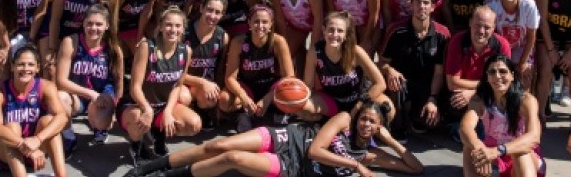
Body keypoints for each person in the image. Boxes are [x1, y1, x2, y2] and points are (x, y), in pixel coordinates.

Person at [129, 100, 423, 177]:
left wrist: (393, 141)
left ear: (378, 127)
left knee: (231, 159)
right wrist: (356, 167)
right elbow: (317, 151)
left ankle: (171, 175)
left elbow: (415, 168)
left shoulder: (370, 155)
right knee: (218, 144)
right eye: (365, 119)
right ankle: (150, 167)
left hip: (292, 167)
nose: (366, 125)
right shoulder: (343, 121)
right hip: (288, 138)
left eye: (373, 123)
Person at [119, 7, 202, 161]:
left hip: (162, 105)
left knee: (194, 124)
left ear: (183, 28)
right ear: (161, 26)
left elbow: (178, 85)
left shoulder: (186, 51)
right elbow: (135, 87)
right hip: (137, 104)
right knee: (138, 117)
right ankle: (137, 145)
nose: (173, 29)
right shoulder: (147, 47)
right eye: (169, 25)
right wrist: (147, 109)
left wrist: (169, 112)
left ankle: (159, 134)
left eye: (178, 26)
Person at [0, 45, 68, 177]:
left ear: (37, 68)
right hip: (4, 154)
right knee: (11, 126)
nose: (26, 69)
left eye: (30, 64)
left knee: (49, 121)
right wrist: (24, 145)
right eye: (21, 64)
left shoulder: (46, 86)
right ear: (12, 66)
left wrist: (38, 139)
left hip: (35, 148)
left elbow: (62, 117)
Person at [379, 0, 450, 138]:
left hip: (426, 85)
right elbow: (381, 63)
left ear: (432, 7)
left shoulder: (442, 34)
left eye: (426, 3)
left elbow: (439, 72)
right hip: (400, 84)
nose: (421, 6)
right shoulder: (396, 30)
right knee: (396, 83)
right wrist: (390, 70)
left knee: (428, 123)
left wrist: (433, 99)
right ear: (411, 5)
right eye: (417, 2)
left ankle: (415, 117)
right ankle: (397, 129)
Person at [460, 55, 543, 177]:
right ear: (487, 77)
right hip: (492, 155)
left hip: (524, 159)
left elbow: (534, 137)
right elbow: (465, 128)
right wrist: (480, 149)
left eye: (503, 71)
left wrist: (498, 151)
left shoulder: (526, 100)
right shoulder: (479, 100)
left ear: (512, 76)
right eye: (492, 72)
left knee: (520, 153)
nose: (497, 76)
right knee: (469, 147)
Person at [300, 12, 392, 119]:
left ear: (345, 35)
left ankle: (355, 124)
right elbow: (308, 87)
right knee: (302, 108)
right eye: (331, 30)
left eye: (340, 31)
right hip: (331, 100)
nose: (335, 35)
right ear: (323, 30)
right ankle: (330, 123)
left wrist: (359, 105)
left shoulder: (355, 51)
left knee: (389, 109)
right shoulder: (315, 52)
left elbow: (380, 84)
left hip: (358, 98)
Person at [56, 4, 124, 146]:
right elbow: (61, 81)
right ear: (83, 24)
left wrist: (113, 108)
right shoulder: (71, 42)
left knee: (101, 121)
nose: (94, 28)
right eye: (90, 23)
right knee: (59, 97)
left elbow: (119, 83)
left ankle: (98, 127)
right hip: (77, 95)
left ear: (107, 26)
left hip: (102, 97)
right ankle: (69, 136)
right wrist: (91, 94)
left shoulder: (114, 49)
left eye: (99, 24)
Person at [219, 4, 295, 130]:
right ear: (249, 23)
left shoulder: (278, 42)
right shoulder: (239, 42)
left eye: (265, 22)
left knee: (292, 91)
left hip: (270, 86)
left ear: (271, 24)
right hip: (247, 85)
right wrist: (244, 97)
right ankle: (243, 115)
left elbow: (289, 77)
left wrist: (268, 98)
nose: (260, 26)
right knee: (224, 100)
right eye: (256, 22)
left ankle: (274, 114)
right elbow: (230, 78)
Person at [445, 6, 513, 120]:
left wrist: (473, 93)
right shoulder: (457, 41)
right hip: (465, 92)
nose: (481, 31)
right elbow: (452, 83)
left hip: (490, 93)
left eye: (487, 27)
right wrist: (486, 84)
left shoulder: (502, 45)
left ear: (493, 28)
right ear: (470, 23)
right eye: (478, 25)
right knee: (455, 102)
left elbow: (504, 81)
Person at [488, 0, 540, 91]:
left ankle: (523, 103)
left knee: (525, 75)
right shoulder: (492, 6)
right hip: (501, 48)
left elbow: (531, 37)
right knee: (499, 74)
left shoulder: (528, 5)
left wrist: (522, 64)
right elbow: (490, 36)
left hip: (523, 46)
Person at [182, 0, 230, 114]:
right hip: (182, 82)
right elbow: (173, 71)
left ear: (222, 15)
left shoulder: (222, 37)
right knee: (184, 97)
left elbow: (220, 69)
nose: (212, 16)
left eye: (217, 12)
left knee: (211, 97)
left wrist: (216, 88)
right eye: (209, 10)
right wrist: (202, 82)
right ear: (201, 8)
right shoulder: (184, 31)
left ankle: (203, 113)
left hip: (204, 85)